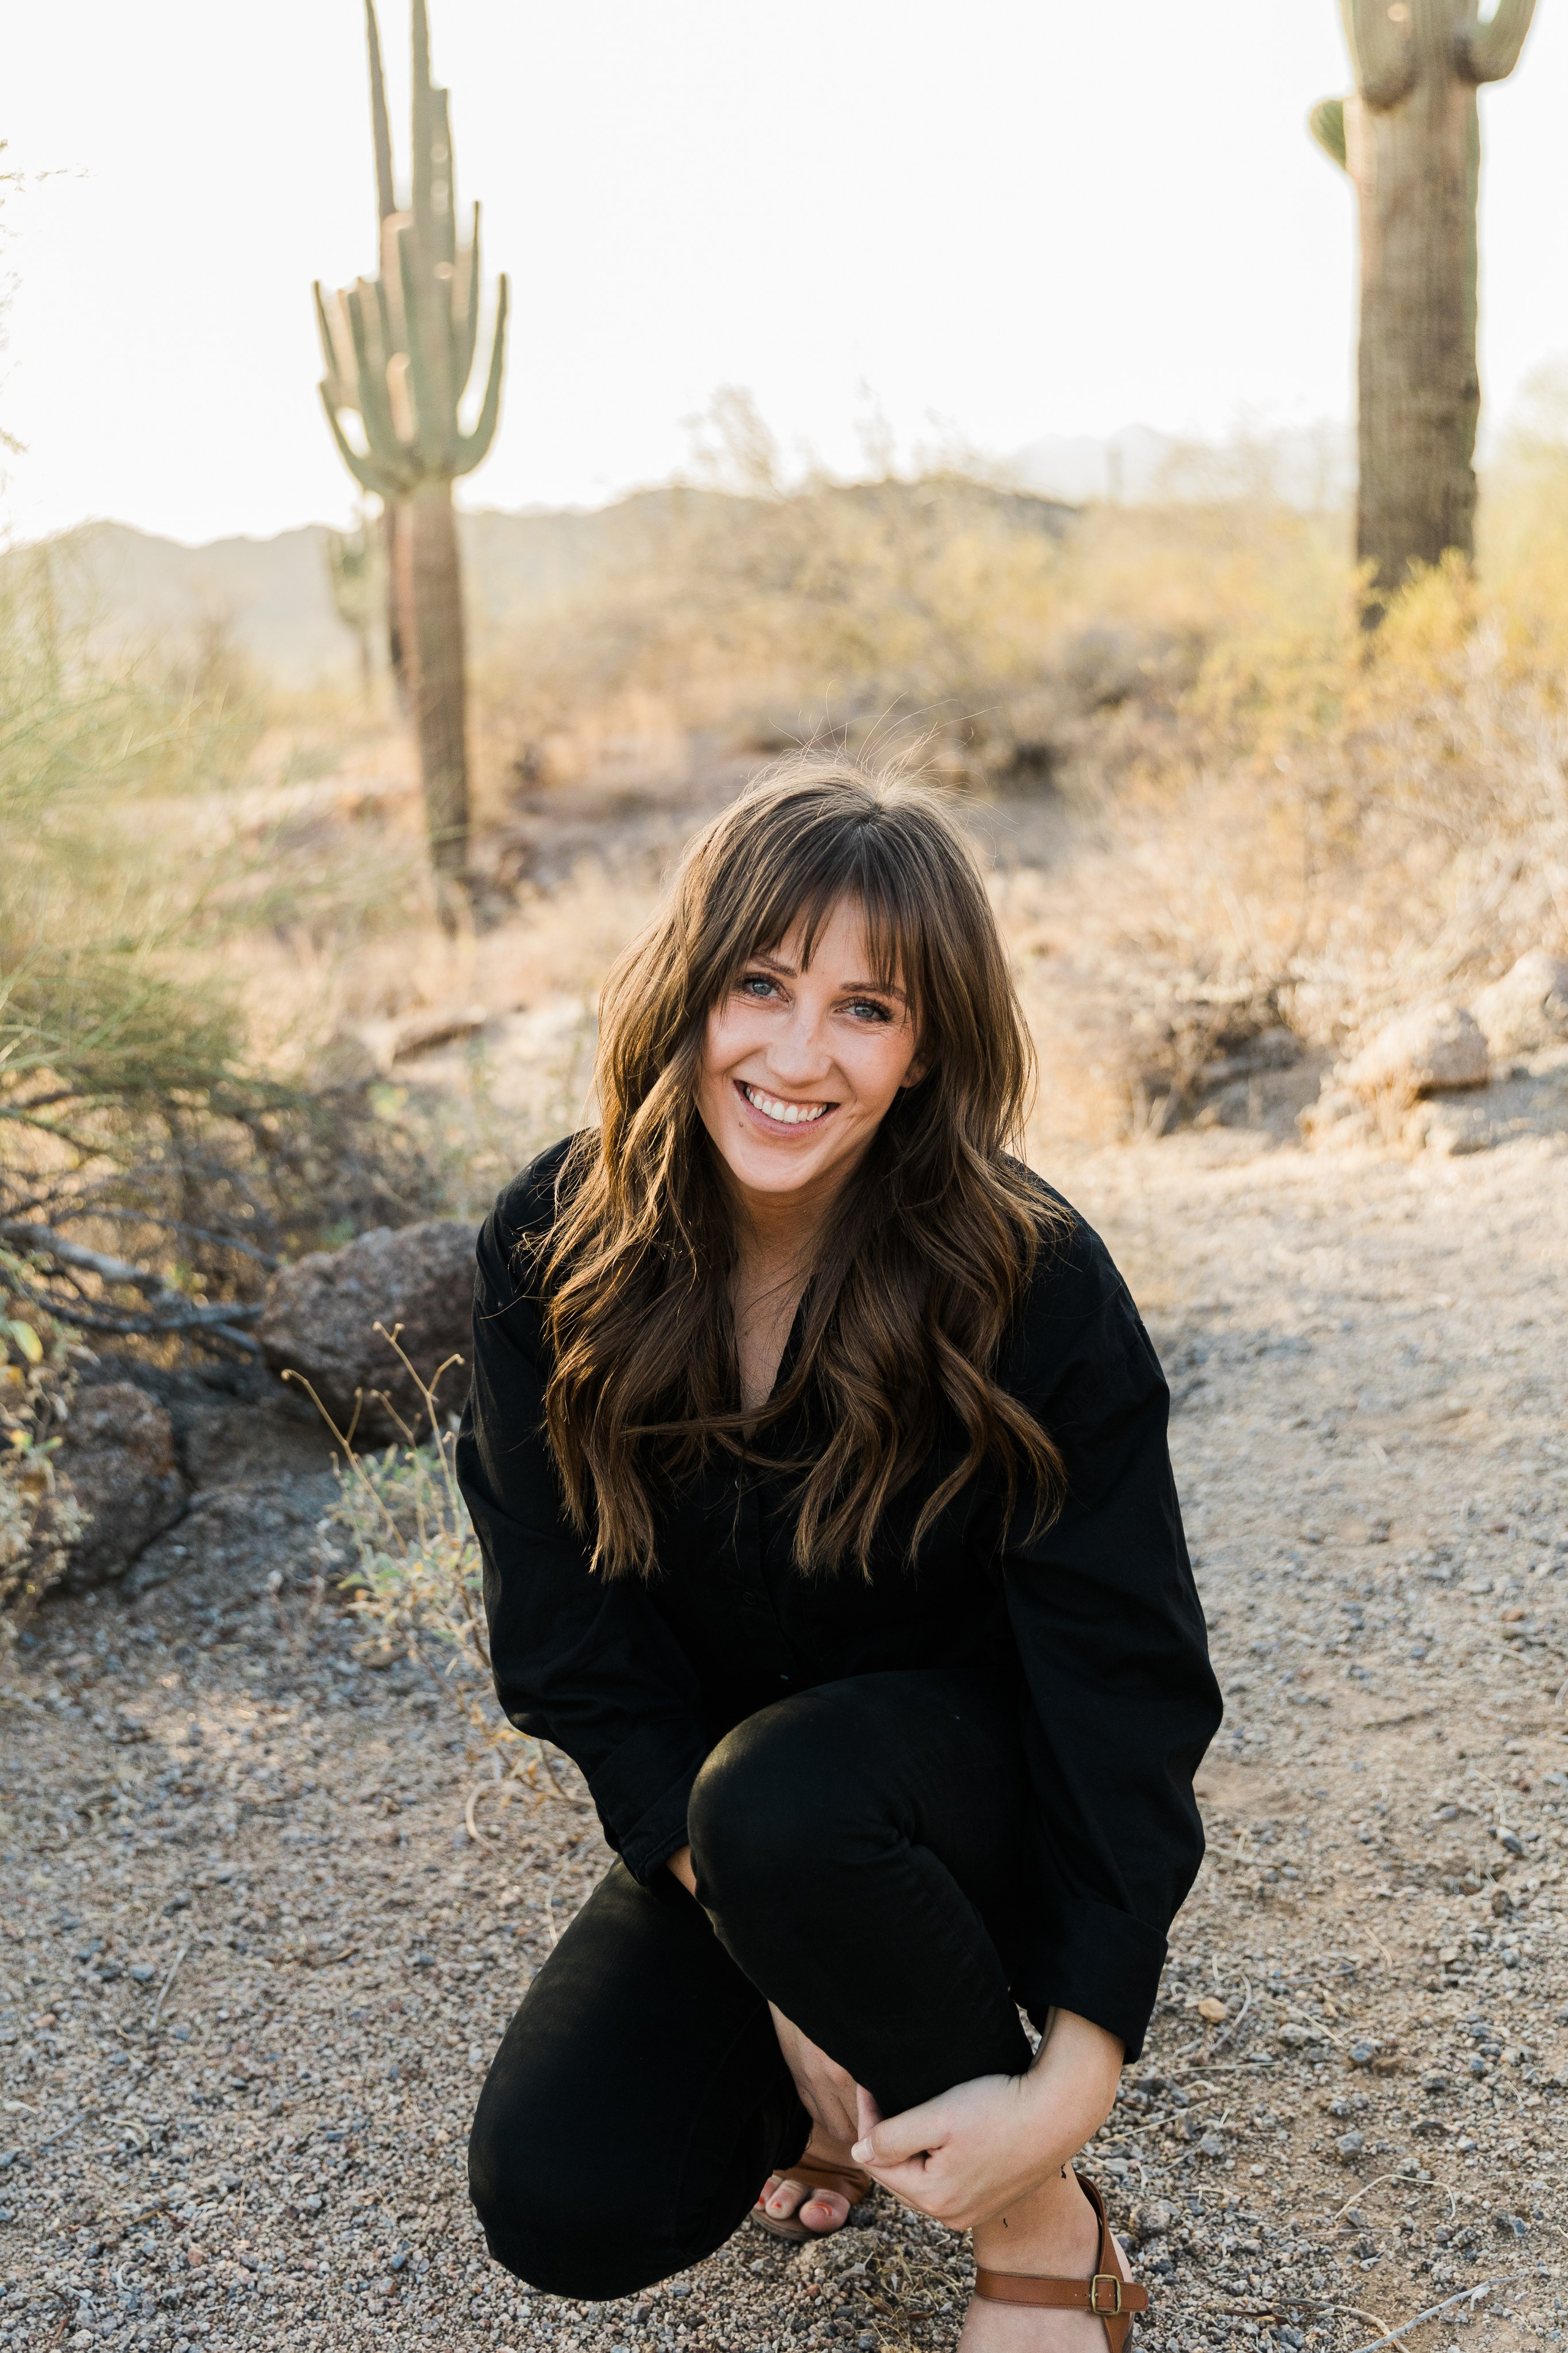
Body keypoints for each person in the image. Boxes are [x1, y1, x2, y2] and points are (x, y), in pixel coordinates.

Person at [458, 759, 1222, 2351]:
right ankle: (839, 2071)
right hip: (732, 1825)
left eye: (866, 1009)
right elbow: (571, 1656)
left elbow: (1124, 1692)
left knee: (791, 1800)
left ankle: (1042, 2231)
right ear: (689, 989)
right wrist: (782, 1975)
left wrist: (1068, 2086)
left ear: (930, 1044)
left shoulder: (1034, 1283)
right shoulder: (557, 1251)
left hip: (965, 1818)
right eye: (762, 985)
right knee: (568, 2190)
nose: (798, 1055)